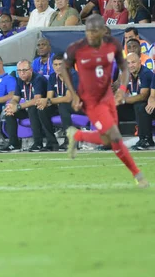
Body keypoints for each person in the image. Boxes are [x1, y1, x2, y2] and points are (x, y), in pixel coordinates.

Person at [62, 14, 148, 187]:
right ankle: (138, 176)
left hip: (108, 97)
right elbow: (64, 69)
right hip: (92, 101)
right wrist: (75, 94)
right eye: (89, 32)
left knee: (108, 139)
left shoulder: (113, 46)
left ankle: (77, 134)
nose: (91, 35)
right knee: (115, 137)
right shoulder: (76, 49)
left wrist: (122, 90)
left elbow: (124, 68)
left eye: (95, 32)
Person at [2, 59, 49, 153]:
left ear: (31, 70)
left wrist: (18, 107)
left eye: (24, 70)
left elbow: (37, 100)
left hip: (43, 109)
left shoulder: (38, 79)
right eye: (19, 71)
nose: (21, 73)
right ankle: (13, 144)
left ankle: (38, 143)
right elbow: (15, 98)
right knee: (9, 113)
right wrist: (11, 105)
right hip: (27, 109)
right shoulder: (19, 81)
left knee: (32, 108)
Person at [36, 54, 80, 151]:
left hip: (78, 106)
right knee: (42, 109)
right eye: (55, 65)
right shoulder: (52, 77)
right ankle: (52, 143)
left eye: (60, 64)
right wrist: (44, 102)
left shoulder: (73, 75)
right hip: (60, 106)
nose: (58, 67)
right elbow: (49, 97)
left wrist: (48, 101)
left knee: (64, 105)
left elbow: (69, 98)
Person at [117, 53, 154, 150]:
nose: (130, 65)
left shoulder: (145, 73)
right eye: (128, 63)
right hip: (135, 106)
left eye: (133, 62)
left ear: (139, 62)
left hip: (149, 107)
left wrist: (123, 100)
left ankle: (145, 139)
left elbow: (143, 96)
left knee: (140, 106)